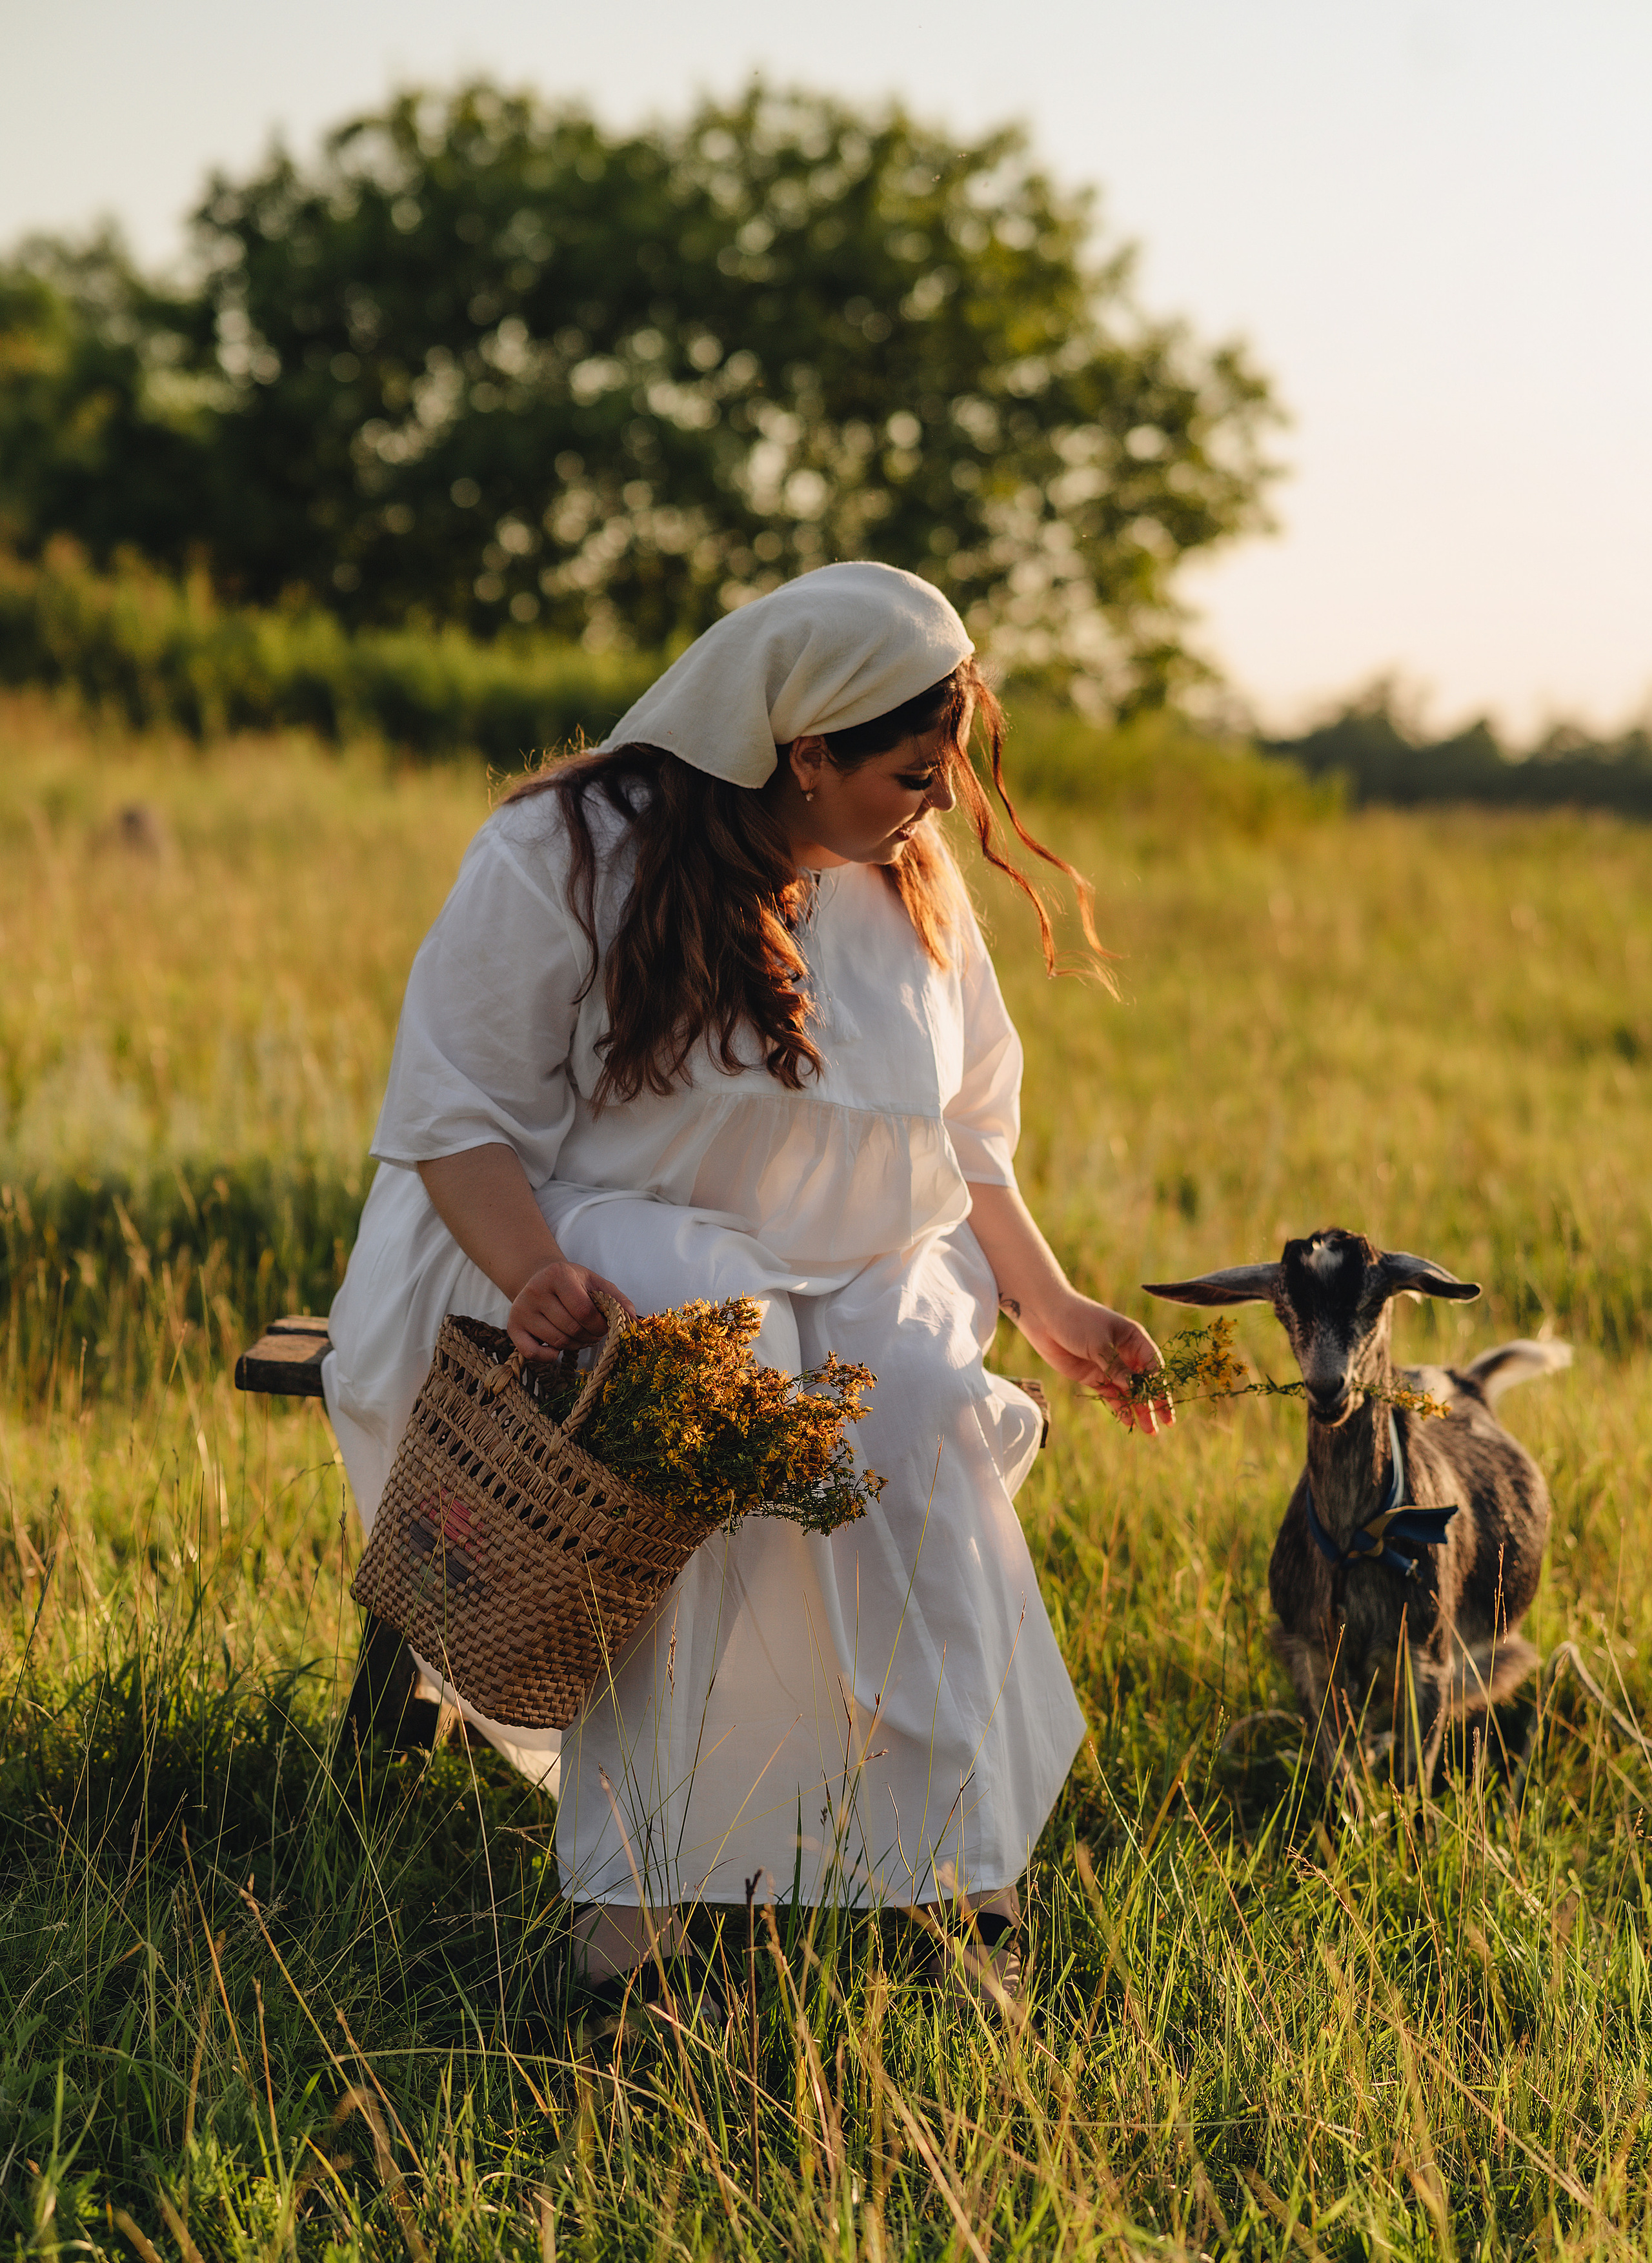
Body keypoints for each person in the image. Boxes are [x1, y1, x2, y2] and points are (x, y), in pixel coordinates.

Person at [324, 562, 1169, 2005]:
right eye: (913, 771)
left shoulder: (907, 875)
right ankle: (634, 1916)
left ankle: (956, 1885)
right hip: (566, 1243)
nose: (941, 802)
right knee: (732, 1370)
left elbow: (962, 1136)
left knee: (915, 1407)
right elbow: (454, 1119)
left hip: (856, 1255)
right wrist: (534, 1273)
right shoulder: (567, 850)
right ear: (806, 751)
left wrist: (1051, 1306)